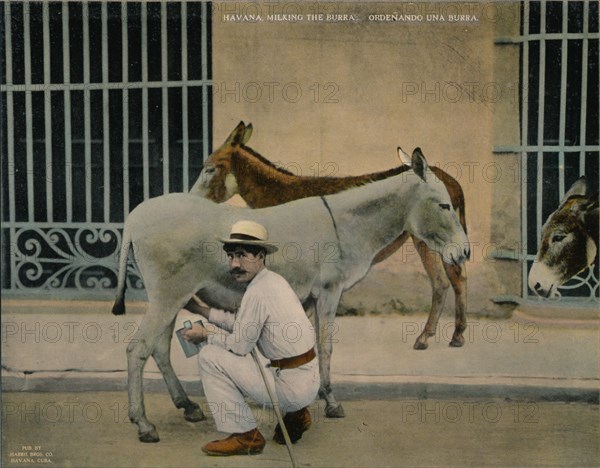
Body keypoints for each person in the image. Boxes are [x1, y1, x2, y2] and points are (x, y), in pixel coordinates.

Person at [183, 220, 320, 456]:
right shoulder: (273, 281)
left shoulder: (257, 292)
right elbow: (242, 326)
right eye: (231, 256)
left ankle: (246, 436)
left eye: (242, 256)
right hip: (306, 381)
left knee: (209, 356)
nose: (234, 264)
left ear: (260, 256)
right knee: (244, 351)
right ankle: (297, 413)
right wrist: (201, 311)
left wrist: (204, 334)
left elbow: (239, 346)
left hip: (290, 388)